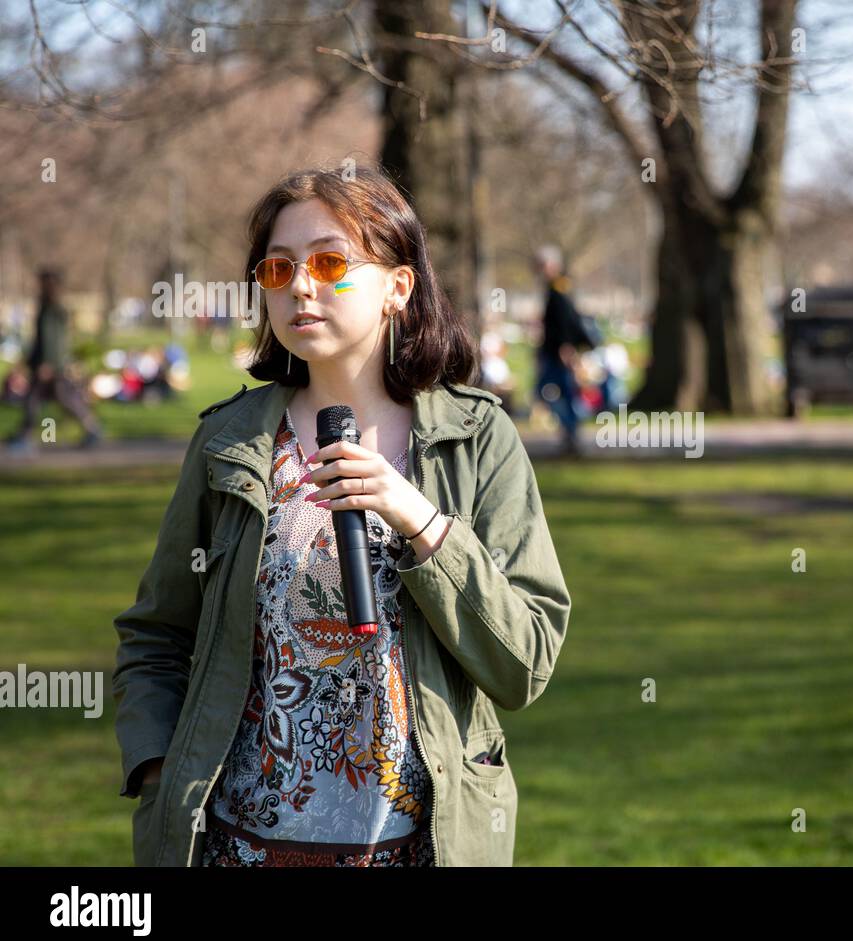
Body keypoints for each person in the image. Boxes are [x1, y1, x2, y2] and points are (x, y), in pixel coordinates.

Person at [112, 164, 571, 867]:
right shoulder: (230, 442)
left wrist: (419, 518)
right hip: (243, 848)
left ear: (398, 285)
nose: (299, 284)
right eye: (277, 268)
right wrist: (158, 772)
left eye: (329, 262)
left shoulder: (476, 438)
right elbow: (156, 635)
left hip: (419, 848)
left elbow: (524, 662)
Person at [5, 268, 103, 452]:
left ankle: (25, 436)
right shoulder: (46, 307)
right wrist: (28, 361)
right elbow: (40, 339)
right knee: (59, 399)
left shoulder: (53, 310)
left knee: (39, 400)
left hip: (50, 366)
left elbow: (54, 339)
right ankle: (92, 429)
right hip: (44, 364)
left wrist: (48, 363)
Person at [532, 245, 586, 456]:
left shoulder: (558, 288)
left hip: (557, 353)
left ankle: (571, 430)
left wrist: (566, 347)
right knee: (559, 392)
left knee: (551, 391)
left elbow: (565, 320)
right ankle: (570, 431)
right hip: (553, 351)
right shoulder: (555, 287)